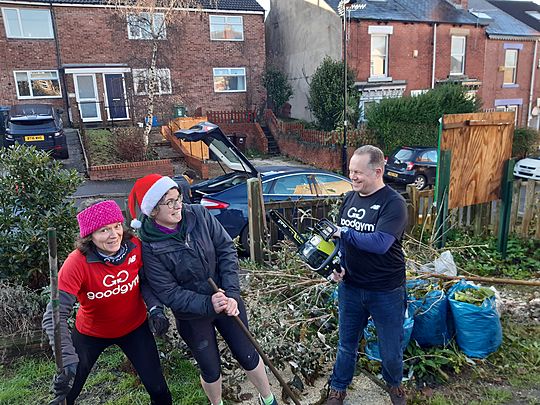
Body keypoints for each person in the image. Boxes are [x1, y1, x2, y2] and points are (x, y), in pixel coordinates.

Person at [128, 173, 278, 405]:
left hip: (226, 298)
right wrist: (208, 304)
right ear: (154, 210)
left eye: (178, 198)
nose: (178, 205)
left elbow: (226, 248)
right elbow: (168, 292)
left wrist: (231, 293)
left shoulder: (197, 214)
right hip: (192, 315)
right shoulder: (149, 244)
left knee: (247, 353)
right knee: (210, 368)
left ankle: (268, 399)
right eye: (169, 202)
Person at [42, 200, 172, 405]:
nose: (114, 235)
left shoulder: (134, 247)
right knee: (67, 392)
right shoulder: (76, 263)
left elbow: (145, 281)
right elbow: (54, 315)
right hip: (90, 334)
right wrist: (66, 357)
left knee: (159, 391)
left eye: (117, 226)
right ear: (89, 236)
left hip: (134, 328)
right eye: (104, 230)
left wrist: (155, 308)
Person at [326, 145, 408, 405]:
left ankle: (395, 386)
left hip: (386, 291)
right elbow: (343, 244)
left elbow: (380, 243)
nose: (353, 177)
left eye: (358, 172)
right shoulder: (350, 199)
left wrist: (344, 233)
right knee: (346, 344)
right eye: (351, 171)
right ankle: (338, 389)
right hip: (351, 288)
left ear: (378, 171)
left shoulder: (394, 203)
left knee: (390, 351)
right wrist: (338, 267)